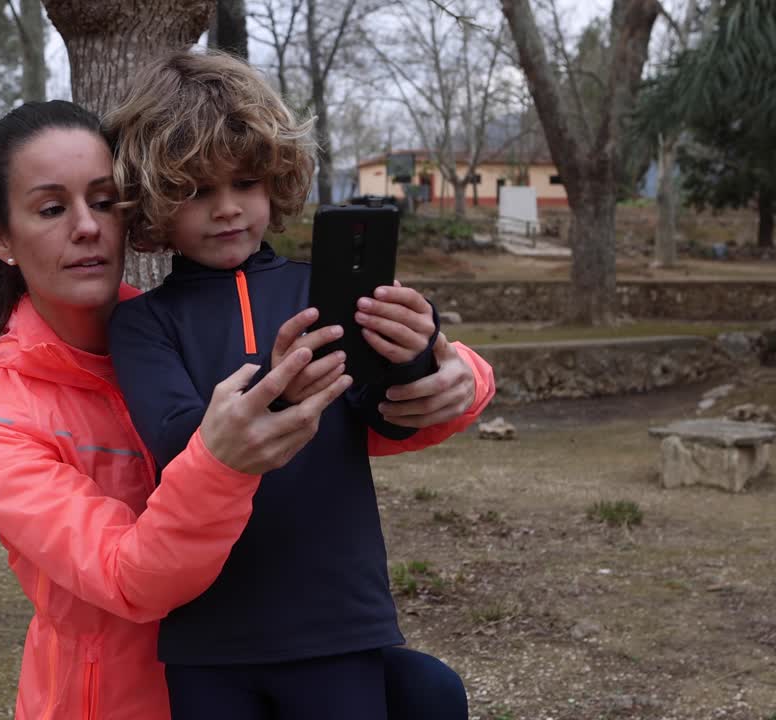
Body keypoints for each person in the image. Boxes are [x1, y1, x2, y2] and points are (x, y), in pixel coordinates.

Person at [0, 99, 487, 720]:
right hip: (138, 695)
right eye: (50, 209)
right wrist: (253, 423)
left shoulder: (178, 324)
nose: (87, 226)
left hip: (313, 647)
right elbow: (127, 575)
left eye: (104, 201)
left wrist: (454, 372)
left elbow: (365, 419)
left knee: (428, 692)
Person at [104, 50, 497, 720]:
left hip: (337, 619)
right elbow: (177, 441)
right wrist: (282, 386)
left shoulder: (325, 291)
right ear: (156, 200)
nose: (228, 209)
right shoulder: (144, 323)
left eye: (246, 182)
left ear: (277, 178)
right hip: (208, 633)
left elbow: (383, 414)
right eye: (197, 190)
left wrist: (417, 354)